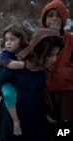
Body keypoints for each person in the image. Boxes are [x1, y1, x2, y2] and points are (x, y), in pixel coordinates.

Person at [0, 28, 64, 141]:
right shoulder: (15, 67)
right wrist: (8, 92)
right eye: (50, 55)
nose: (54, 59)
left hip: (35, 118)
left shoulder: (42, 69)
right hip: (14, 120)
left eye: (56, 55)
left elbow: (40, 93)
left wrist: (45, 114)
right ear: (38, 52)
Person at [41, 0, 73, 139]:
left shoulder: (71, 40)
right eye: (50, 15)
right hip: (42, 91)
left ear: (64, 19)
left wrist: (63, 73)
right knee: (46, 128)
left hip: (66, 92)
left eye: (58, 15)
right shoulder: (37, 39)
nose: (54, 19)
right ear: (44, 18)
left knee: (65, 127)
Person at [0, 24, 31, 136]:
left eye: (12, 39)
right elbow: (10, 65)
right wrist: (26, 65)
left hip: (19, 82)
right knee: (9, 94)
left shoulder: (26, 52)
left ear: (21, 40)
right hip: (7, 82)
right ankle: (16, 120)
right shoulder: (5, 54)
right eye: (6, 40)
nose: (8, 42)